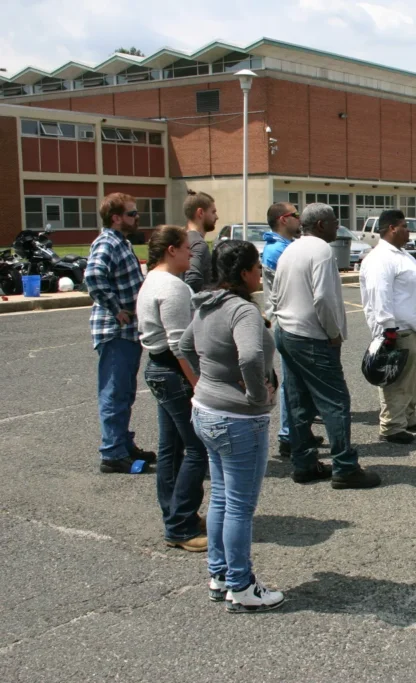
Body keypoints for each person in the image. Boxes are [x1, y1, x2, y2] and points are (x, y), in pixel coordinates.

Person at [180, 240, 284, 612]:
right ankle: (241, 586)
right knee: (239, 505)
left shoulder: (206, 304)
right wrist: (258, 394)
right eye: (257, 268)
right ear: (243, 273)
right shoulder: (242, 311)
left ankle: (220, 574)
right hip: (238, 419)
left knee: (222, 498)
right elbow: (252, 354)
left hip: (206, 410)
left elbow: (184, 346)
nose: (260, 274)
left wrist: (207, 379)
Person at [271, 203, 380, 488]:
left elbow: (275, 294)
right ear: (321, 225)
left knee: (299, 402)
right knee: (335, 402)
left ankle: (304, 463)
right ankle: (344, 466)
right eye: (334, 222)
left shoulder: (290, 249)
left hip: (287, 332)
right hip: (312, 337)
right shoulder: (321, 251)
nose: (337, 226)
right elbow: (324, 300)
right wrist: (333, 333)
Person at [136, 225, 208, 552]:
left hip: (158, 368)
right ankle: (180, 526)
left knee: (171, 448)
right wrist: (197, 384)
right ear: (171, 250)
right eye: (185, 248)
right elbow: (180, 345)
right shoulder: (173, 287)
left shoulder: (151, 280)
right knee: (198, 449)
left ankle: (177, 514)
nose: (191, 253)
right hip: (173, 372)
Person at [84, 192, 155, 474]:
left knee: (124, 392)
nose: (137, 218)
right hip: (115, 331)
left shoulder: (120, 242)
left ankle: (123, 444)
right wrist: (116, 308)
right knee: (114, 392)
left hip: (127, 332)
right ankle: (112, 453)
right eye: (132, 213)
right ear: (116, 218)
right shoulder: (107, 242)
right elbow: (93, 276)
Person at [359, 209, 416, 443]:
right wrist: (388, 328)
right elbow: (379, 294)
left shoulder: (401, 254)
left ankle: (408, 415)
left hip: (413, 327)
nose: (409, 230)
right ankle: (392, 425)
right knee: (397, 379)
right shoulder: (380, 258)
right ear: (392, 228)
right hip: (397, 329)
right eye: (405, 226)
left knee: (413, 378)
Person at [260, 201, 323, 458]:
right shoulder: (277, 251)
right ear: (284, 219)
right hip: (288, 322)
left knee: (299, 381)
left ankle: (298, 430)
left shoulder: (287, 247)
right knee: (292, 382)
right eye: (296, 215)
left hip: (291, 320)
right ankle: (289, 434)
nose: (300, 219)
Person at [183, 190, 218, 293]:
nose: (216, 217)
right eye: (213, 212)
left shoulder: (182, 238)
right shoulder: (198, 244)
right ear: (200, 213)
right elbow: (192, 279)